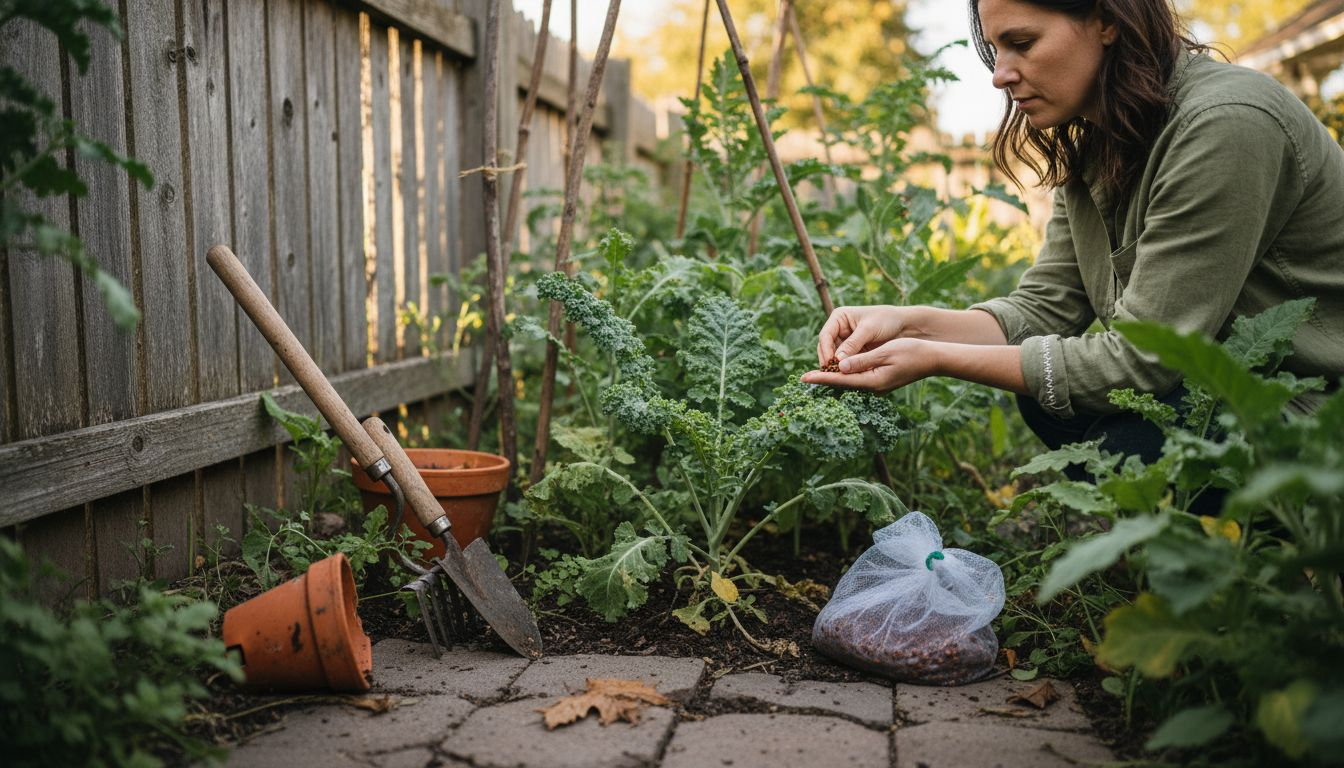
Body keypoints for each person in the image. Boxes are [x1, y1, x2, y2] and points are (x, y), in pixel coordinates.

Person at [801, 0, 1344, 470]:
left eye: (1022, 43)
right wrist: (906, 326)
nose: (1000, 74)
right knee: (1048, 392)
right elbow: (1043, 307)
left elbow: (1142, 361)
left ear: (1106, 20)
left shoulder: (1226, 125)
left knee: (1123, 434)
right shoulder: (1101, 141)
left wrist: (935, 358)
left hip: (1316, 409)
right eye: (996, 49)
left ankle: (1272, 560)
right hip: (1232, 390)